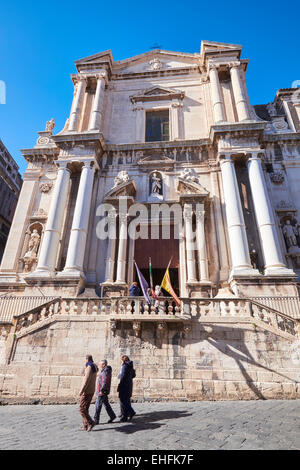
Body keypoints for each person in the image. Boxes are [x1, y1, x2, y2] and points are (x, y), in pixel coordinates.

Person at [78, 355, 98, 432]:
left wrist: (81, 391)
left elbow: (86, 381)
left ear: (87, 359)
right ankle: (85, 425)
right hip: (91, 390)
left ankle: (91, 422)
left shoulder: (89, 367)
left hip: (87, 391)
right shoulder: (95, 366)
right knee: (85, 408)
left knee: (81, 409)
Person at [94, 359, 116, 425]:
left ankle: (96, 420)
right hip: (104, 391)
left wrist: (102, 390)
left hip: (102, 391)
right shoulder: (105, 371)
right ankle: (112, 416)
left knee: (98, 405)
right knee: (106, 404)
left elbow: (105, 382)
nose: (100, 366)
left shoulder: (105, 372)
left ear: (104, 364)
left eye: (100, 364)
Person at [117, 355, 136, 422]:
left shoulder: (125, 366)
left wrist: (120, 385)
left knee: (123, 401)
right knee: (126, 400)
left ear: (123, 360)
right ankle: (129, 413)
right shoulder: (131, 366)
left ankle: (127, 415)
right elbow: (133, 375)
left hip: (124, 386)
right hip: (129, 385)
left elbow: (123, 376)